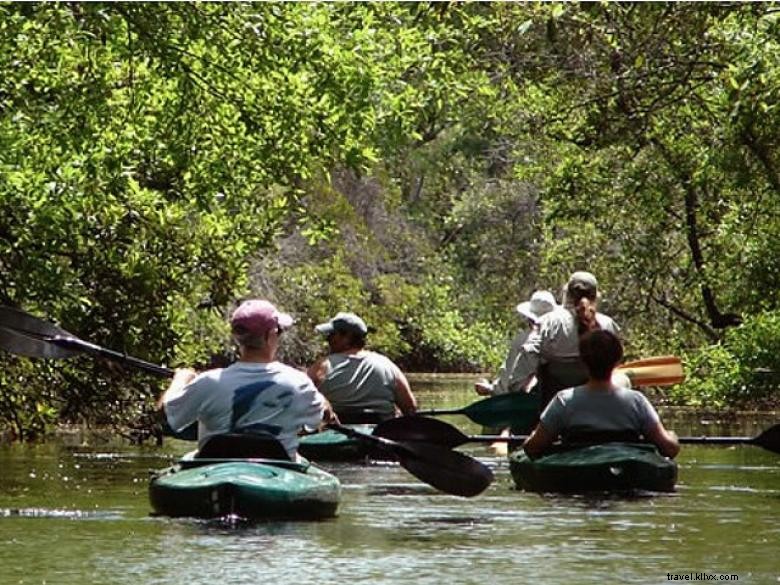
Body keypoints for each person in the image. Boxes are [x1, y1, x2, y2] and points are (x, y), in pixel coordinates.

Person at [157, 299, 334, 460]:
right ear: (270, 334)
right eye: (279, 331)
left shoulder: (207, 382)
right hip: (278, 467)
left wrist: (180, 380)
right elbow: (323, 417)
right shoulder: (299, 382)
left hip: (214, 465)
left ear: (237, 337)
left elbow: (164, 414)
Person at [523, 329, 679, 459]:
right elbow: (669, 449)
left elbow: (532, 448)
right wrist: (672, 437)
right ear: (617, 362)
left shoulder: (564, 400)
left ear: (582, 362)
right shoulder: (636, 401)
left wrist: (532, 436)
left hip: (577, 480)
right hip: (626, 480)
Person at [493, 271, 621, 408]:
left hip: (554, 406)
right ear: (595, 297)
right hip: (597, 404)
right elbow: (616, 362)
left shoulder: (548, 323)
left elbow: (527, 357)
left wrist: (517, 388)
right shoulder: (608, 325)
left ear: (566, 293)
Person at [307, 312, 417, 422]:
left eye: (331, 335)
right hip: (380, 430)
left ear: (347, 337)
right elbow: (410, 408)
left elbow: (300, 397)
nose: (328, 339)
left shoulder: (322, 365)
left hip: (336, 430)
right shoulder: (387, 365)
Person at [475, 290, 557, 396]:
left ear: (529, 318)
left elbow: (511, 384)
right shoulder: (565, 336)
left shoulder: (525, 340)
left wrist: (491, 389)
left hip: (531, 397)